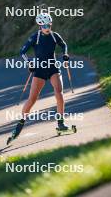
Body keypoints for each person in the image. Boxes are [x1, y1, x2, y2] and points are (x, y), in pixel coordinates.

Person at [9, 12, 70, 142]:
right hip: (40, 70)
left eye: (49, 24)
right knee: (32, 99)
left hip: (53, 68)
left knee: (59, 92)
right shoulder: (35, 37)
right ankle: (18, 127)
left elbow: (64, 45)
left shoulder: (54, 36)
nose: (47, 27)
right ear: (40, 26)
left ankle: (60, 124)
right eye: (44, 26)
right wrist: (29, 63)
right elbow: (22, 51)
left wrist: (65, 54)